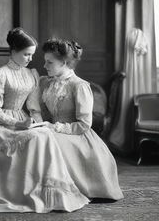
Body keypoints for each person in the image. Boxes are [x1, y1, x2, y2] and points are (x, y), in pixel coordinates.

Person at [0, 28, 90, 213]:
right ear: (13, 51)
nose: (30, 59)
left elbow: (34, 107)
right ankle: (22, 192)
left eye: (32, 54)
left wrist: (38, 124)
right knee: (37, 138)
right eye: (26, 54)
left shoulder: (32, 74)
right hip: (0, 126)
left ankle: (47, 192)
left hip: (24, 119)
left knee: (44, 134)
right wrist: (19, 124)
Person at [40, 38, 124, 200]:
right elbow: (45, 113)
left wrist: (55, 128)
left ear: (64, 62)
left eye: (49, 63)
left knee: (47, 143)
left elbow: (84, 124)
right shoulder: (48, 83)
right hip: (52, 130)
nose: (45, 66)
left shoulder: (79, 86)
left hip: (76, 135)